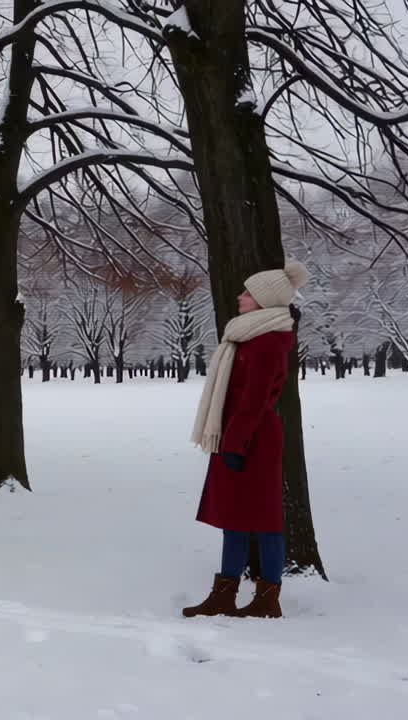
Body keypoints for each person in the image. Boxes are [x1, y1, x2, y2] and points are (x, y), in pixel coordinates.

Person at [182, 261, 309, 620]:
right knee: (233, 517)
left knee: (265, 520)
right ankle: (224, 596)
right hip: (236, 434)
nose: (240, 297)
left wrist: (235, 444)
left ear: (265, 300)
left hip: (254, 438)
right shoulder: (247, 336)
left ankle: (267, 600)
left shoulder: (268, 341)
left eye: (248, 293)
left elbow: (254, 400)